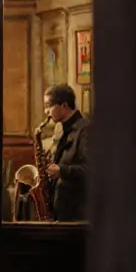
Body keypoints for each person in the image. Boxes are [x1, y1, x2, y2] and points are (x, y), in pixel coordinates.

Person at [43, 84, 90, 222]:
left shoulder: (86, 130)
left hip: (76, 213)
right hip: (62, 209)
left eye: (48, 106)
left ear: (63, 106)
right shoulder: (62, 130)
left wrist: (62, 170)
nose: (46, 111)